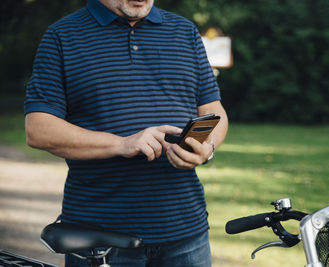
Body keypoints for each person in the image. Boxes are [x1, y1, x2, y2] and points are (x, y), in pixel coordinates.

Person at [24, 0, 228, 266]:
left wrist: (207, 147)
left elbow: (215, 110)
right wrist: (122, 144)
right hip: (99, 241)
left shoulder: (184, 31)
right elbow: (38, 129)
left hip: (187, 234)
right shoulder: (62, 35)